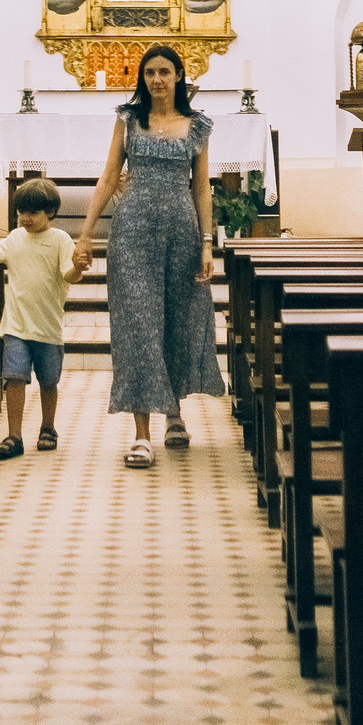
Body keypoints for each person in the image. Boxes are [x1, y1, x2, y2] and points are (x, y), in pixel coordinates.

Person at [72, 45, 225, 468]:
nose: (157, 80)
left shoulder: (197, 126)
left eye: (164, 72)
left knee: (177, 321)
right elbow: (108, 176)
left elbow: (201, 187)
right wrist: (85, 235)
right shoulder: (128, 119)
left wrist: (207, 243)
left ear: (179, 76)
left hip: (181, 232)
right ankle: (141, 435)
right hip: (133, 230)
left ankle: (174, 412)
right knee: (138, 325)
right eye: (150, 73)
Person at [0, 177, 72, 458]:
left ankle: (48, 427)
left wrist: (80, 268)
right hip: (16, 326)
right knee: (14, 378)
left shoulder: (60, 240)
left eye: (33, 212)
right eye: (21, 212)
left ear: (51, 213)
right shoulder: (15, 238)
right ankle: (14, 436)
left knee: (49, 382)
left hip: (47, 327)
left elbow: (69, 274)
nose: (25, 218)